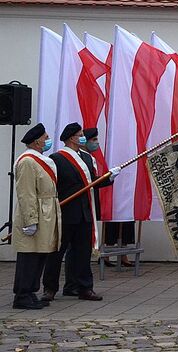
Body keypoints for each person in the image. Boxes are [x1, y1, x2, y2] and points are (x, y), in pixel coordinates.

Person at [42, 122, 119, 302]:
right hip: (66, 212)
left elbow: (93, 182)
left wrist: (109, 178)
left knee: (82, 253)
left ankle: (84, 288)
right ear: (71, 138)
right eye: (80, 135)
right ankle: (50, 288)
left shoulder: (86, 158)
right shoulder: (57, 159)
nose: (83, 137)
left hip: (85, 212)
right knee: (57, 252)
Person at [11, 124, 61, 309]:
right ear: (37, 141)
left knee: (39, 254)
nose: (48, 140)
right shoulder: (27, 161)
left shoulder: (39, 160)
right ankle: (22, 294)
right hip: (35, 212)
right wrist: (30, 219)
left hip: (45, 211)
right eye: (45, 137)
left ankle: (31, 291)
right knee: (29, 256)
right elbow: (26, 193)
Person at [82, 128, 135, 267]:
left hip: (123, 188)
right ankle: (104, 253)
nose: (96, 143)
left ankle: (122, 253)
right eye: (93, 140)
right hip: (104, 193)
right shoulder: (94, 155)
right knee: (110, 222)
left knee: (127, 221)